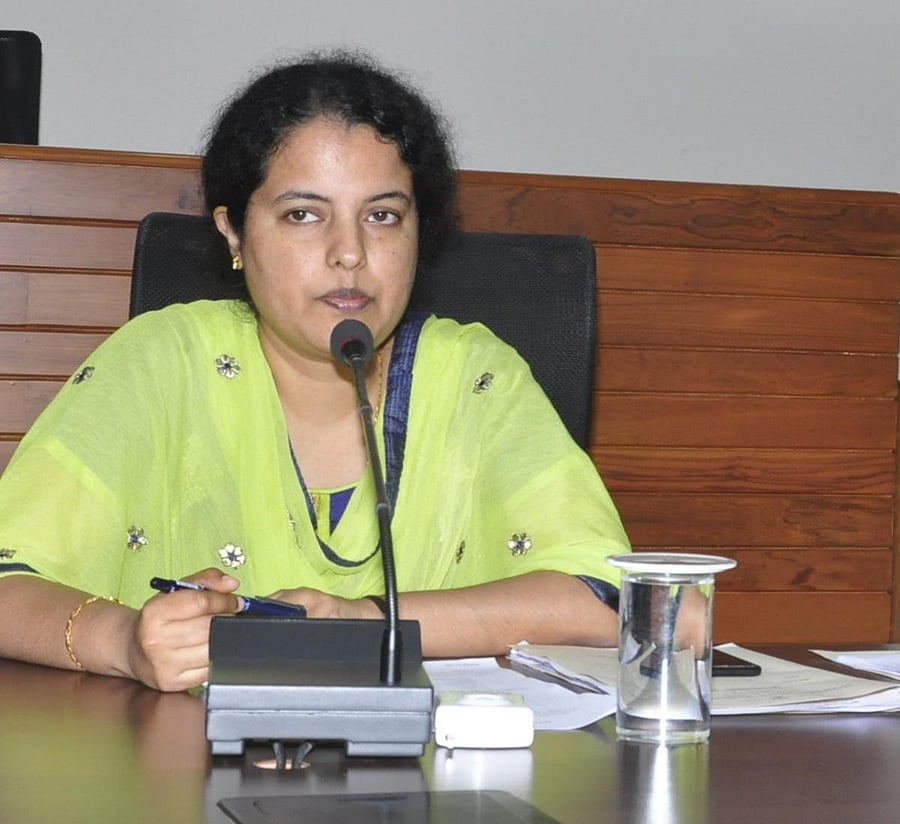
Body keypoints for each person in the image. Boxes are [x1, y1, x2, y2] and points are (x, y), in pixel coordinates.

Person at [0, 52, 630, 692]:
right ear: (235, 234)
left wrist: (363, 619)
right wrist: (126, 641)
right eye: (304, 214)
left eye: (383, 215)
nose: (350, 253)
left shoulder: (474, 376)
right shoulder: (162, 361)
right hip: (180, 776)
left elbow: (631, 605)